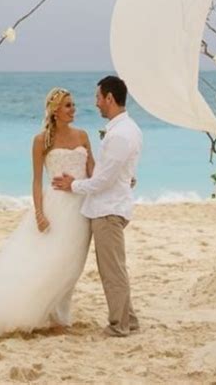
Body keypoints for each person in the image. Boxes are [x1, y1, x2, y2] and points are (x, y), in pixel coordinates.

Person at [0, 87, 94, 340]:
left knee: (72, 264)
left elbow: (94, 172)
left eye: (73, 104)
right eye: (67, 105)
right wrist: (39, 213)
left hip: (81, 209)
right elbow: (35, 181)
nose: (73, 109)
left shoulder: (83, 136)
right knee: (52, 260)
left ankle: (60, 314)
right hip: (55, 207)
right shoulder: (41, 140)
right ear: (54, 111)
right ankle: (55, 318)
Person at [53, 75, 143, 337]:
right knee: (114, 268)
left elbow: (103, 180)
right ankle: (129, 320)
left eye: (98, 98)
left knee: (112, 272)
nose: (96, 104)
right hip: (109, 205)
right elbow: (116, 171)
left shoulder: (120, 135)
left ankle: (119, 325)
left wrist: (74, 186)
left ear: (110, 99)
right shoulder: (126, 129)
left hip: (108, 210)